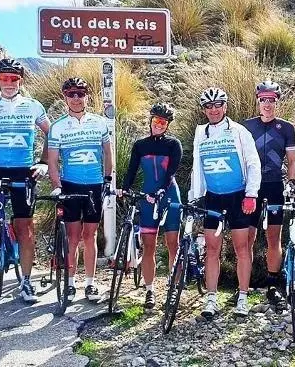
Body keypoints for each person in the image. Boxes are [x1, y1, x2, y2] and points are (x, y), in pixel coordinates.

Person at [0, 58, 51, 304]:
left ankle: (26, 281)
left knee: (25, 228)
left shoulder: (33, 106)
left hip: (23, 172)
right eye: (4, 78)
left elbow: (52, 133)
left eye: (14, 78)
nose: (9, 83)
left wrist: (44, 162)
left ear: (20, 81)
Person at [189, 87, 261, 318]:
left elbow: (253, 163)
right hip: (213, 198)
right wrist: (194, 196)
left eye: (218, 105)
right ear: (204, 110)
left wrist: (251, 194)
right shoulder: (201, 133)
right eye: (209, 106)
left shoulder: (239, 131)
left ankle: (242, 297)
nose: (214, 110)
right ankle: (211, 298)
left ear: (225, 106)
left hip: (238, 196)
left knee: (241, 248)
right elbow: (196, 167)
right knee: (212, 248)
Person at [46, 78, 113, 302]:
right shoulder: (57, 127)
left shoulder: (99, 122)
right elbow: (53, 161)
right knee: (73, 237)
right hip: (70, 186)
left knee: (90, 235)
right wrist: (57, 186)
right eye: (71, 94)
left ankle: (91, 283)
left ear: (87, 96)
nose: (76, 98)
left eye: (80, 94)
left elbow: (107, 153)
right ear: (65, 97)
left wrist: (107, 180)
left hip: (94, 186)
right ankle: (71, 283)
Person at [118, 103, 182, 309]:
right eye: (156, 121)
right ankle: (150, 290)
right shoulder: (140, 145)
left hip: (169, 195)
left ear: (168, 125)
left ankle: (173, 287)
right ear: (150, 121)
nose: (159, 125)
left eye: (163, 122)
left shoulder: (174, 145)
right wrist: (124, 188)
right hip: (147, 198)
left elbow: (171, 172)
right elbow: (131, 170)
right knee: (148, 247)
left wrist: (161, 190)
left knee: (173, 244)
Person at [243, 80, 295, 312]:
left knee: (274, 237)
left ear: (277, 102)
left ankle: (273, 283)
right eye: (263, 100)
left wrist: (292, 183)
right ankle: (244, 283)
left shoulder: (286, 128)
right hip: (251, 188)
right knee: (247, 237)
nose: (267, 104)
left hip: (275, 185)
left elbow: (293, 161)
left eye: (271, 100)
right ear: (258, 101)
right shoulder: (245, 127)